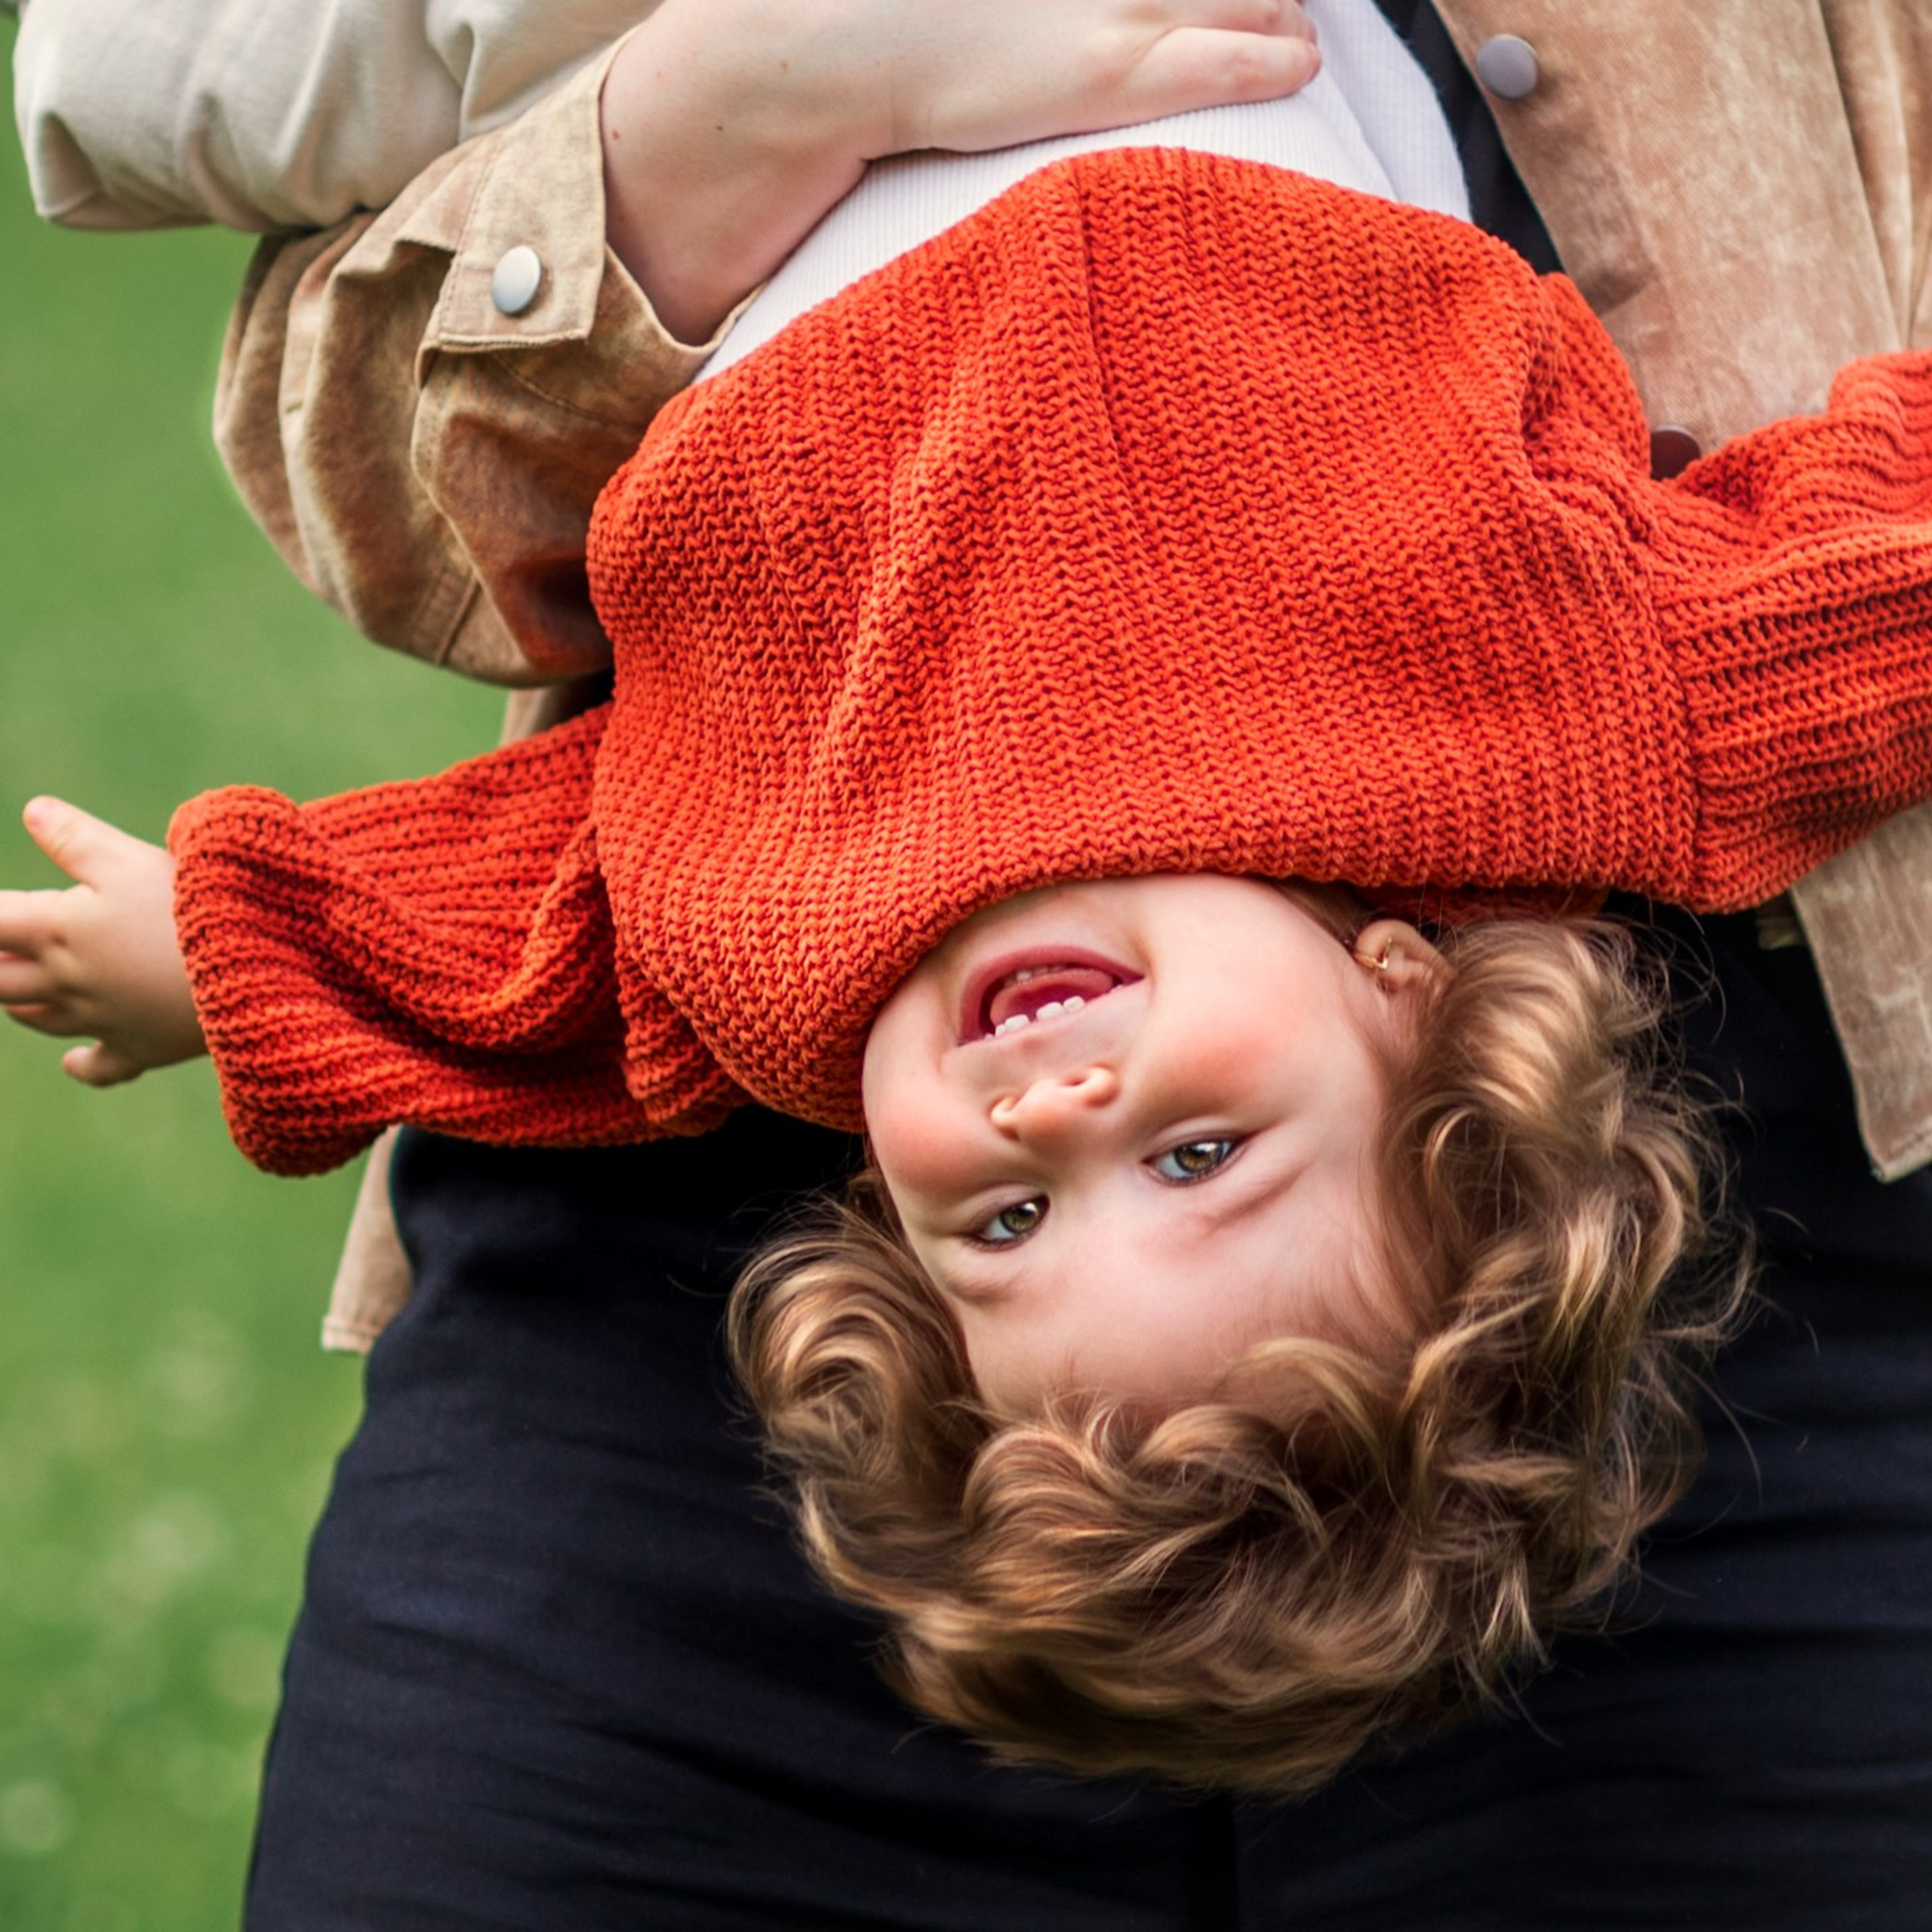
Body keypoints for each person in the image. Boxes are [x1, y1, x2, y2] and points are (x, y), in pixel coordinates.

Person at [11, 1, 1932, 1922]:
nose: (1059, 1106)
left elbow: (545, 910)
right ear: (1407, 1005)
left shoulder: (778, 929)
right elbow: (1865, 577)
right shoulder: (1550, 724)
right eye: (1194, 1157)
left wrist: (211, 952)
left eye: (1006, 1218)